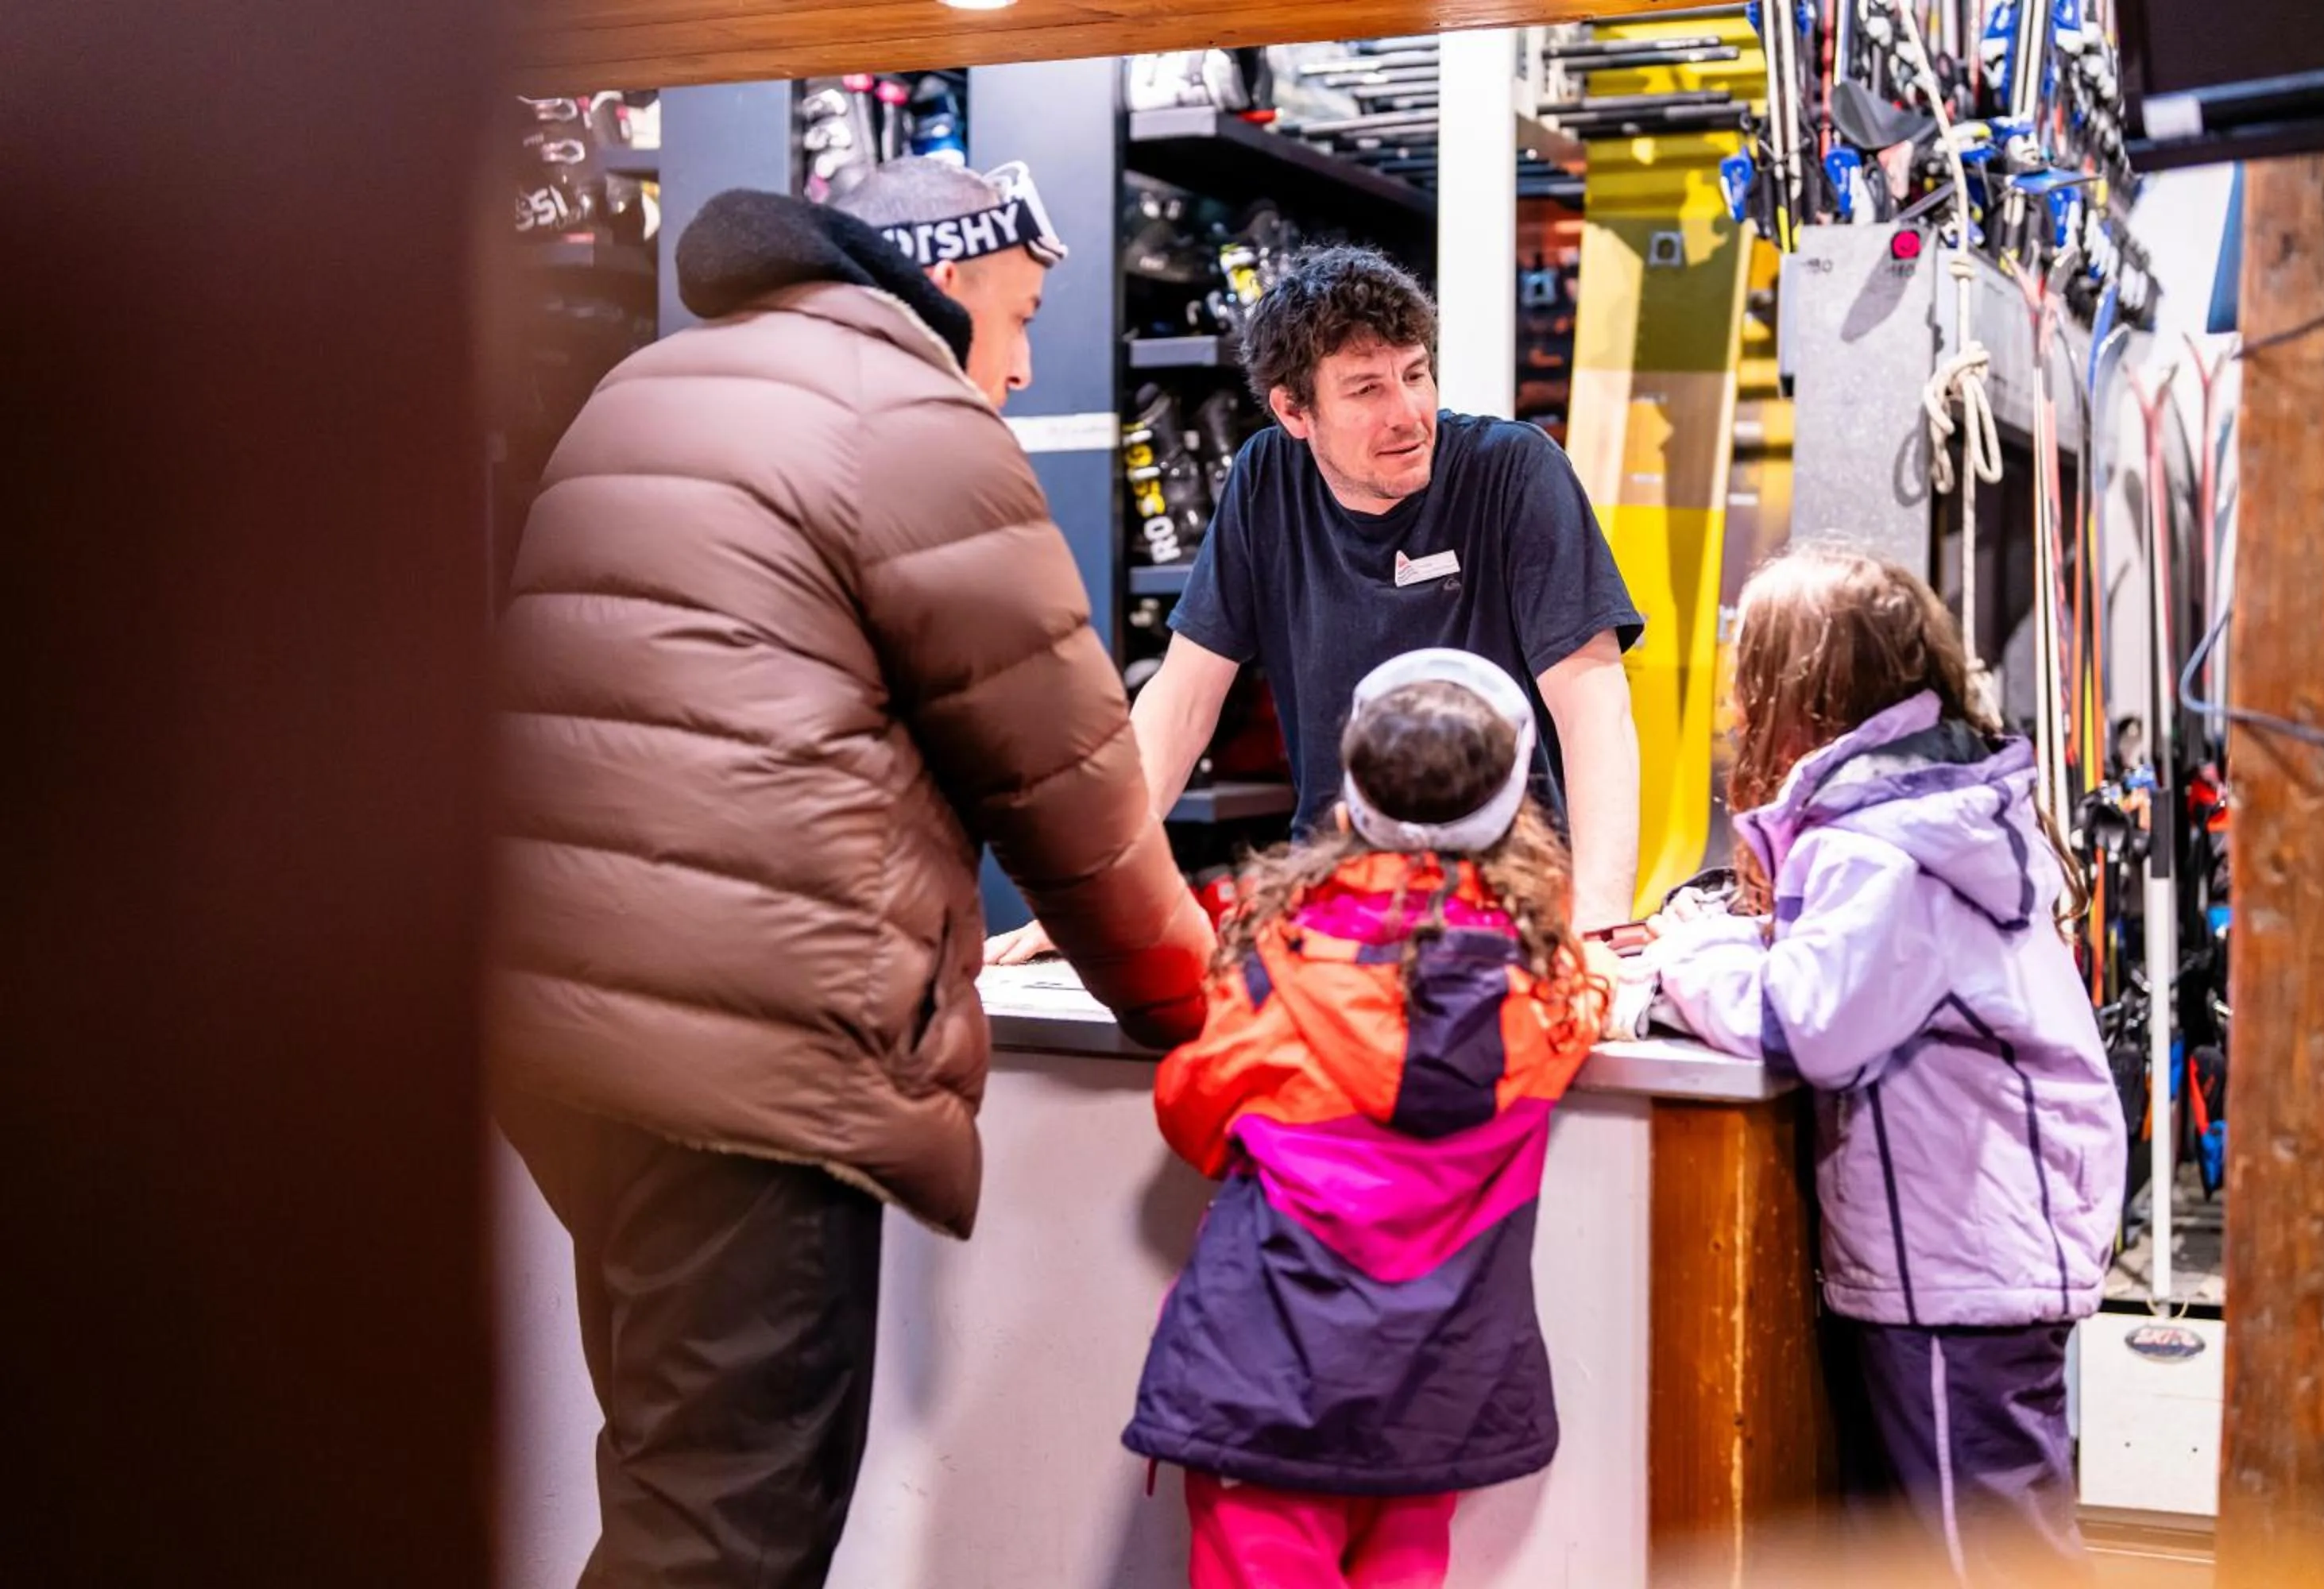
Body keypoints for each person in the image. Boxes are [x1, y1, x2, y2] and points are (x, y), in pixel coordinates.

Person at [485, 158, 1214, 1588]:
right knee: (731, 1538)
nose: (1013, 367)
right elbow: (1068, 788)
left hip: (566, 1033)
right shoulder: (910, 417)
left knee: (670, 1483)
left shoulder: (651, 386)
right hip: (750, 1050)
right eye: (1015, 320)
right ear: (947, 281)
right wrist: (1203, 1010)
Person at [1612, 546, 2125, 1586]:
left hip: (1954, 1275)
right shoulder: (1925, 811)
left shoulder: (1882, 846)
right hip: (1972, 1257)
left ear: (1798, 691)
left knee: (1979, 1559)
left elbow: (1806, 1024)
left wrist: (1686, 953)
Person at [991, 245, 1644, 970]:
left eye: (1416, 375)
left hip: (1510, 899)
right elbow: (1178, 702)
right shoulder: (1265, 480)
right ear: (1294, 411)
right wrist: (1090, 898)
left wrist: (1599, 925)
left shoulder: (1513, 470)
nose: (1408, 414)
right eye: (1366, 390)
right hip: (1335, 904)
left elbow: (1593, 705)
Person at [1121, 648, 1619, 1589]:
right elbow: (1593, 994)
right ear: (1515, 817)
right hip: (1431, 1392)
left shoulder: (1277, 959)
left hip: (1265, 1373)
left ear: (1349, 807)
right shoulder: (1543, 994)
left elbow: (1190, 1110)